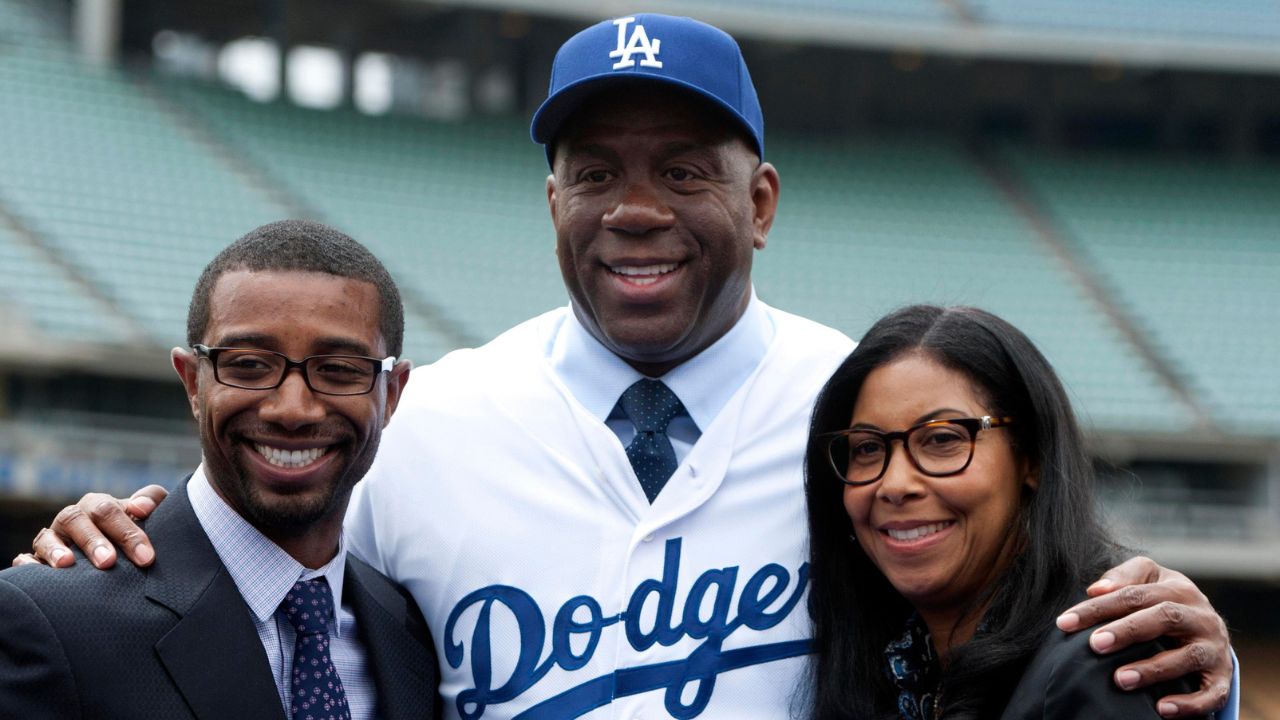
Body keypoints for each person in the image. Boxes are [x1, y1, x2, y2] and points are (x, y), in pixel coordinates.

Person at [17, 15, 1237, 720]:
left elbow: (1030, 633)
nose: (635, 209)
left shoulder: (863, 420)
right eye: (595, 173)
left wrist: (1201, 679)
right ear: (550, 203)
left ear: (758, 201)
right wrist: (110, 546)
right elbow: (251, 593)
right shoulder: (423, 420)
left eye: (683, 170)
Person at [0, 221, 439, 719]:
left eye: (339, 370)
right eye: (249, 365)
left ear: (392, 394)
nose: (292, 409)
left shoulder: (412, 634)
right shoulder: (51, 620)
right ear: (192, 382)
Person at [804, 305, 1205, 719]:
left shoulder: (1106, 657)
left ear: (1031, 456)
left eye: (942, 439)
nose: (896, 485)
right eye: (867, 448)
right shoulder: (886, 667)